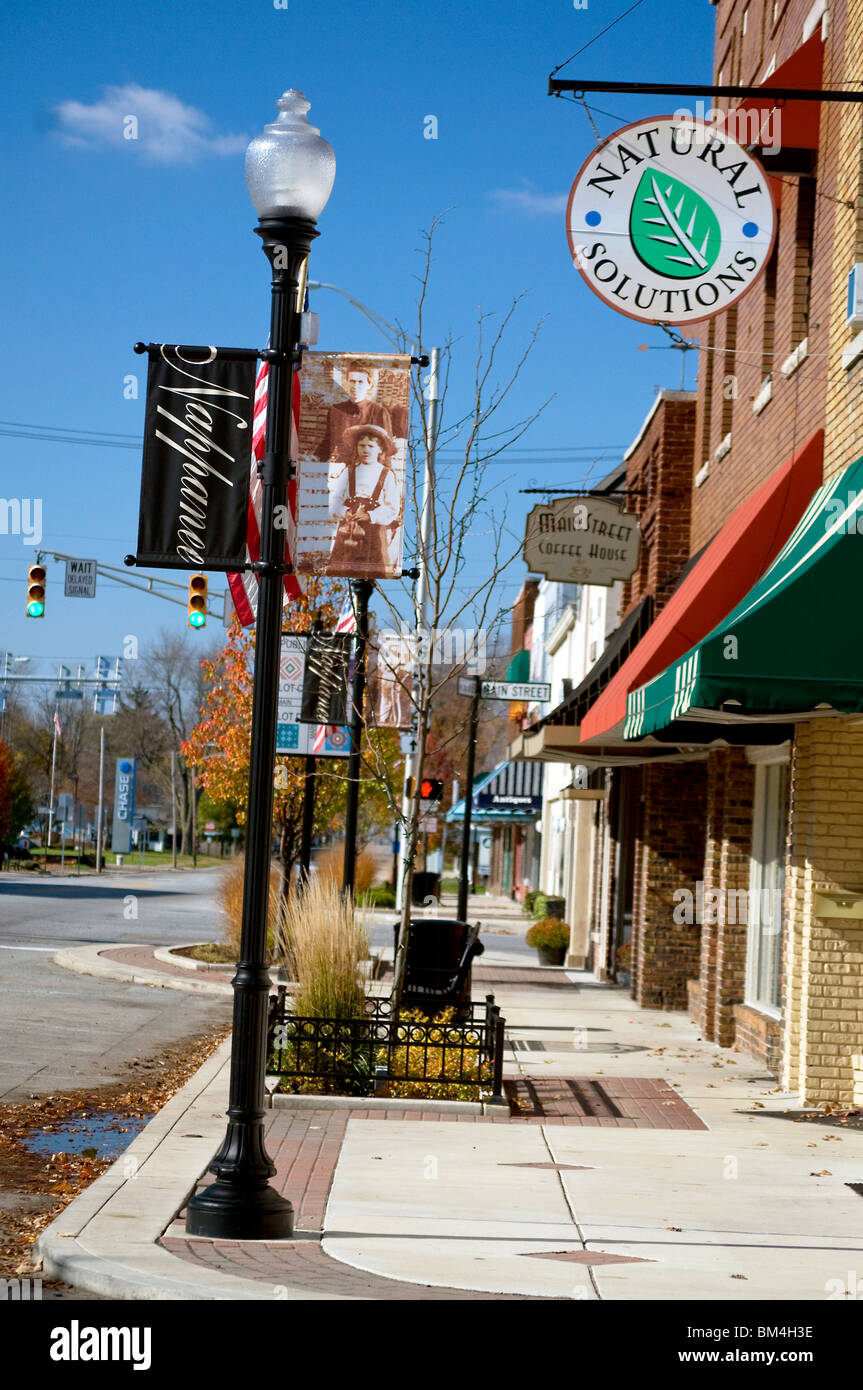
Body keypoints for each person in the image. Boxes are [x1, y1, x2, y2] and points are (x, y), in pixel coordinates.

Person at [325, 424, 401, 575]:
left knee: (372, 569)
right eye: (361, 445)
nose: (365, 450)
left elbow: (393, 508)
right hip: (348, 529)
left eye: (370, 446)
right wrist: (344, 512)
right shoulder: (349, 471)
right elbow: (334, 500)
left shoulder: (386, 474)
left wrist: (370, 515)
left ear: (380, 449)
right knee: (342, 567)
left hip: (374, 533)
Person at [315, 362, 392, 462]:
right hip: (341, 468)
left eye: (360, 382)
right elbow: (328, 442)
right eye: (352, 381)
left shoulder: (379, 412)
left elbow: (386, 450)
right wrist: (316, 462)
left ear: (369, 385)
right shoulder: (335, 410)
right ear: (346, 382)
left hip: (366, 471)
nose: (355, 386)